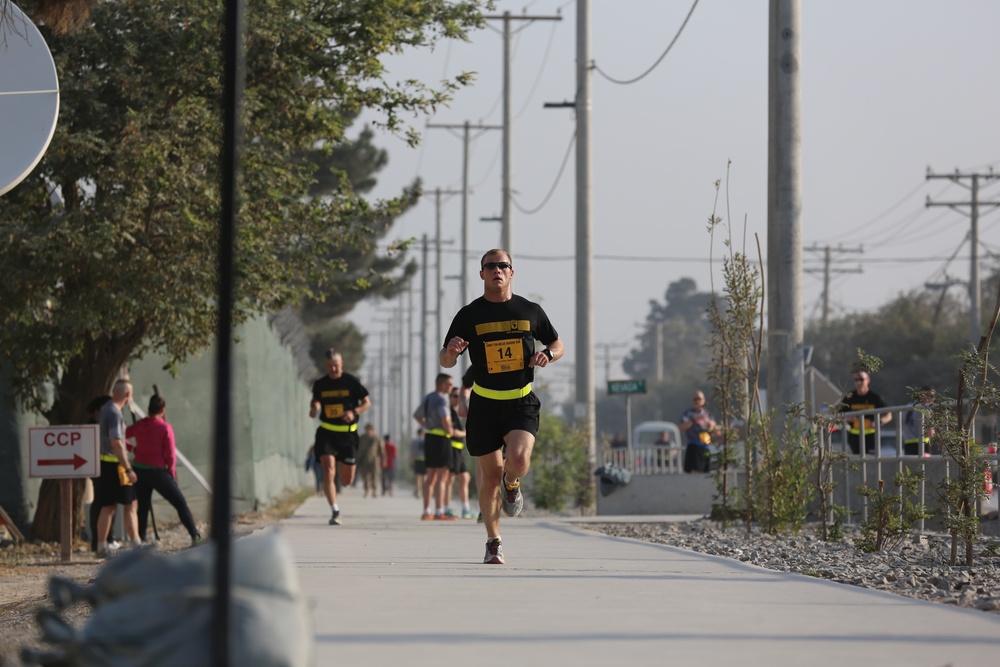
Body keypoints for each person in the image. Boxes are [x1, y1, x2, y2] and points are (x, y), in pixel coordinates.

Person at [441, 248, 563, 564]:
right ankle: (493, 541)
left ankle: (514, 484)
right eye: (490, 266)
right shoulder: (469, 315)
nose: (497, 270)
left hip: (521, 400)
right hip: (484, 404)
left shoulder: (530, 310)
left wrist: (547, 355)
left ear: (512, 272)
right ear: (481, 274)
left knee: (519, 460)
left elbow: (556, 343)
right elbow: (445, 358)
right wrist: (452, 352)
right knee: (490, 477)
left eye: (503, 265)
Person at [125, 392, 201, 545]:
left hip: (139, 470)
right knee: (180, 503)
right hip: (158, 472)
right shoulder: (165, 428)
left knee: (143, 507)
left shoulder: (140, 425)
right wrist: (171, 473)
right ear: (163, 410)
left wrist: (132, 449)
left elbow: (122, 435)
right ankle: (195, 536)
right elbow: (170, 454)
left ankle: (141, 540)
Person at [309, 348, 372, 525]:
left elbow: (367, 403)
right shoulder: (320, 384)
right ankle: (335, 510)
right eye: (329, 367)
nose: (333, 370)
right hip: (327, 432)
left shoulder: (352, 382)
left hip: (348, 434)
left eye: (336, 366)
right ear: (325, 366)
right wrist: (315, 408)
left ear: (341, 364)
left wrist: (354, 411)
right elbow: (316, 400)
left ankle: (342, 483)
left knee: (346, 480)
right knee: (328, 469)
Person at [95, 379, 140, 557]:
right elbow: (116, 442)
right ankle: (136, 544)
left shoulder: (106, 409)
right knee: (130, 503)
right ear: (128, 395)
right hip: (116, 465)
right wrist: (128, 468)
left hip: (106, 463)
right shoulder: (114, 413)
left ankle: (101, 546)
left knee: (108, 506)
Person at [413, 373, 457, 520]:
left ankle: (426, 511)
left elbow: (417, 415)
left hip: (429, 437)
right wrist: (450, 430)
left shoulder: (428, 398)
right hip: (442, 439)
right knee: (442, 477)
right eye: (449, 384)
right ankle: (439, 511)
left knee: (430, 476)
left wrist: (427, 425)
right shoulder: (442, 400)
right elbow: (445, 418)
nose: (451, 387)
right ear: (442, 384)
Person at [838, 370, 891, 455]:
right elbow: (838, 414)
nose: (858, 382)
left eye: (861, 379)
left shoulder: (875, 398)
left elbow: (889, 415)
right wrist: (847, 418)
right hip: (854, 437)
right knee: (857, 463)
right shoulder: (849, 397)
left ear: (868, 380)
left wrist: (879, 422)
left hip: (872, 436)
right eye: (856, 380)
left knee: (871, 462)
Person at [86, 395, 113, 553]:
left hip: (100, 468)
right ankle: (101, 540)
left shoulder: (99, 423)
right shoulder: (95, 424)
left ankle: (104, 539)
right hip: (101, 469)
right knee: (103, 505)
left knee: (104, 504)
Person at [445, 387, 474, 519]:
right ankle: (446, 508)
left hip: (459, 449)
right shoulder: (448, 412)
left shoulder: (460, 413)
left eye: (458, 396)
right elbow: (451, 431)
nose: (457, 399)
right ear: (450, 397)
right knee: (450, 479)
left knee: (464, 477)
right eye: (454, 396)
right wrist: (466, 434)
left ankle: (465, 508)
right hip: (450, 449)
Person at [679, 391, 716, 473]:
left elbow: (715, 429)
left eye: (699, 399)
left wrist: (710, 424)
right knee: (694, 472)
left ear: (704, 400)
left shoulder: (708, 414)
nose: (697, 401)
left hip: (705, 447)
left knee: (705, 472)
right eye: (695, 399)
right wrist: (695, 420)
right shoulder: (688, 414)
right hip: (694, 446)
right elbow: (681, 428)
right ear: (692, 401)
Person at [901, 385, 935, 456]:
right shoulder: (925, 409)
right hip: (923, 444)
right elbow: (930, 433)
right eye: (931, 396)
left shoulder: (906, 408)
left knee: (910, 466)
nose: (933, 399)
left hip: (908, 444)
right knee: (924, 466)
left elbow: (901, 426)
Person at [356, 423, 385, 498]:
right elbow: (357, 449)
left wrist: (384, 459)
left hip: (374, 460)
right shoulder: (361, 438)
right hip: (364, 460)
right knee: (365, 476)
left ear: (373, 430)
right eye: (367, 429)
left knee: (375, 475)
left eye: (370, 429)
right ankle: (367, 490)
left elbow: (382, 450)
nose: (368, 431)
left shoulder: (377, 439)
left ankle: (375, 490)